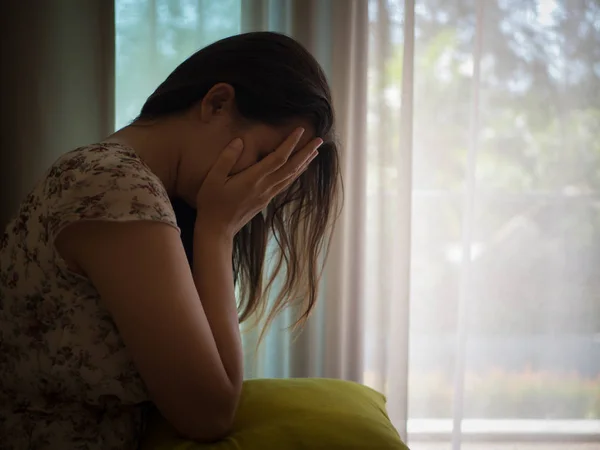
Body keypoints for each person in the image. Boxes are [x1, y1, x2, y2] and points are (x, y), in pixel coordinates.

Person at [0, 31, 341, 449]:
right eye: (262, 159)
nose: (258, 189)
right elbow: (209, 414)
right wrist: (217, 233)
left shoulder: (123, 181)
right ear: (217, 103)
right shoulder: (116, 186)